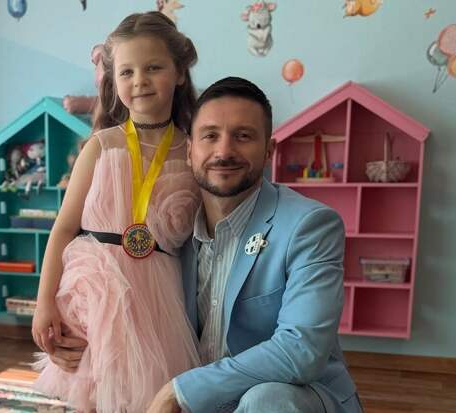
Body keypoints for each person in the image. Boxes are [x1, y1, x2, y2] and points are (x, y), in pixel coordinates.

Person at [146, 77, 363, 413]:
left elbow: (301, 350)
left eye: (243, 136)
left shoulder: (310, 225)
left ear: (269, 151)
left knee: (266, 400)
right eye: (210, 136)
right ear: (189, 151)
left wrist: (181, 391)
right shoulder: (173, 227)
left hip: (292, 400)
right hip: (206, 404)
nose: (224, 152)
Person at [30, 11, 201, 413]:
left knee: (149, 393)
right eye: (127, 72)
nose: (139, 80)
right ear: (114, 80)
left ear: (179, 72)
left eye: (153, 67)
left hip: (157, 295)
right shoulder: (101, 146)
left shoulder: (193, 151)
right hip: (95, 288)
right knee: (93, 391)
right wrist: (43, 303)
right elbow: (64, 228)